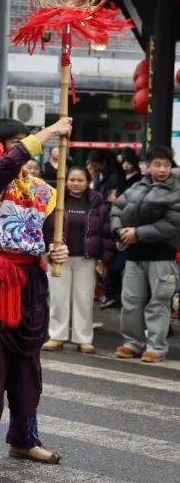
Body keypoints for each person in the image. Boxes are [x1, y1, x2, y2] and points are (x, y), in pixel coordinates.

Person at [0, 116, 71, 469]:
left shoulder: (45, 190)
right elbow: (8, 163)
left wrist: (57, 250)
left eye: (30, 140)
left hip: (32, 281)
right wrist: (49, 133)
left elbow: (50, 235)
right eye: (19, 141)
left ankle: (24, 438)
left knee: (28, 364)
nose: (28, 147)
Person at [110, 145, 180, 363]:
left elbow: (172, 223)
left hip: (161, 254)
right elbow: (117, 210)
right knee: (131, 300)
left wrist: (137, 233)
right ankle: (132, 342)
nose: (162, 169)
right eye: (157, 164)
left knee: (158, 301)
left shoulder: (177, 189)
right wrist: (119, 230)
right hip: (134, 254)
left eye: (166, 165)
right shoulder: (137, 186)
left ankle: (156, 346)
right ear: (148, 166)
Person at [44, 166, 114, 354]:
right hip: (59, 257)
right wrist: (48, 249)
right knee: (58, 298)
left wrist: (104, 259)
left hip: (87, 258)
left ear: (88, 181)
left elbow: (106, 232)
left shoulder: (97, 201)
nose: (76, 184)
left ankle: (83, 339)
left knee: (84, 300)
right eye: (72, 180)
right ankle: (56, 336)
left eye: (80, 180)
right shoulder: (56, 199)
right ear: (65, 181)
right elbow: (47, 228)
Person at [101, 148, 142, 308]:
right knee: (115, 264)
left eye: (127, 162)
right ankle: (113, 294)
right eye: (122, 162)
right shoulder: (121, 178)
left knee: (121, 265)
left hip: (131, 227)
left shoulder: (137, 181)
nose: (124, 165)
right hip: (120, 226)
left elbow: (120, 202)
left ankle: (115, 295)